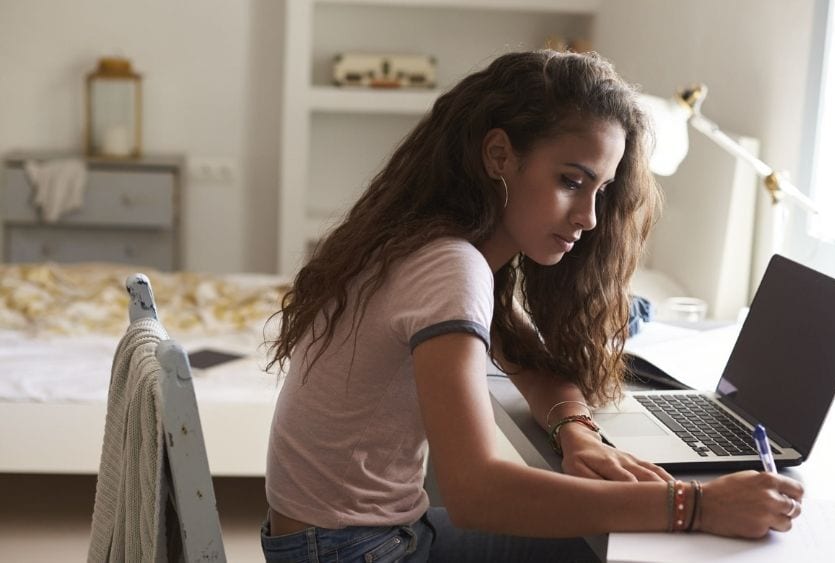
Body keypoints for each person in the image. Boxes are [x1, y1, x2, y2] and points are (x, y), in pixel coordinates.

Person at [262, 49, 804, 563]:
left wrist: (576, 429)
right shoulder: (451, 266)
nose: (590, 217)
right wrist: (694, 506)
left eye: (602, 190)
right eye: (571, 181)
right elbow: (476, 491)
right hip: (356, 550)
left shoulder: (432, 243)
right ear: (499, 155)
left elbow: (530, 362)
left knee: (606, 541)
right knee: (621, 549)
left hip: (335, 540)